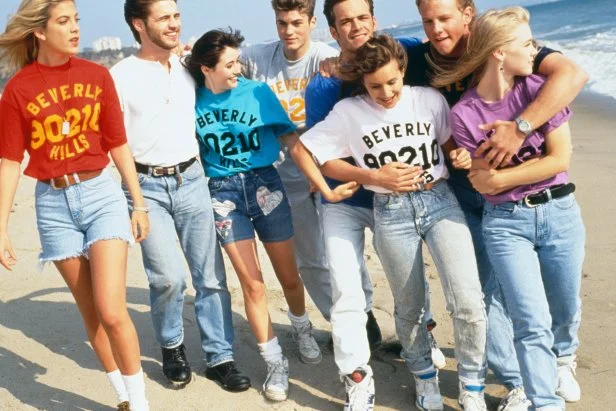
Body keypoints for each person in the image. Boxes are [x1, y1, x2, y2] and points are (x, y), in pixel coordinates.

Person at [398, 1, 588, 408]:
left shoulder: (531, 78)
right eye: (427, 20)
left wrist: (518, 132)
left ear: (468, 15)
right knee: (500, 300)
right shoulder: (456, 100)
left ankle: (563, 358)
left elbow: (561, 144)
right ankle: (522, 384)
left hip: (553, 207)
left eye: (444, 17)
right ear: (500, 53)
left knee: (564, 300)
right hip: (488, 210)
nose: (435, 28)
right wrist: (334, 65)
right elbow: (483, 176)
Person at [299, 33, 488, 411]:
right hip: (391, 211)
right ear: (362, 84)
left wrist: (463, 158)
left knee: (468, 299)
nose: (385, 92)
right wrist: (371, 178)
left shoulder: (429, 99)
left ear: (403, 69)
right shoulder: (350, 111)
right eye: (374, 86)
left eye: (392, 81)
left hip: (439, 201)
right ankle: (424, 379)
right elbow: (310, 151)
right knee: (409, 303)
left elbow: (451, 148)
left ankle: (472, 385)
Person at [183, 28, 355, 402]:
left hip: (266, 186)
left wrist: (323, 186)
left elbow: (292, 143)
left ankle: (302, 326)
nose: (237, 70)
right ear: (206, 68)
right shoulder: (191, 101)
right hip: (223, 194)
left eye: (238, 62)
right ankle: (275, 362)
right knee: (253, 284)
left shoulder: (257, 93)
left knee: (289, 277)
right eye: (229, 64)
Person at [0, 1, 149, 410]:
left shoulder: (97, 76)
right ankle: (121, 396)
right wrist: (1, 229)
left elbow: (118, 142)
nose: (75, 29)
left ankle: (140, 404)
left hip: (100, 194)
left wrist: (138, 202)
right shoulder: (17, 89)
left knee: (112, 309)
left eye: (77, 20)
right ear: (40, 32)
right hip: (52, 204)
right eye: (64, 22)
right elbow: (11, 161)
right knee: (91, 313)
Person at [111, 0, 250, 392]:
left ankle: (220, 357)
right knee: (168, 277)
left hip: (192, 178)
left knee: (211, 277)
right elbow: (115, 141)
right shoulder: (120, 76)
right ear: (139, 24)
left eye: (176, 16)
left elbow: (231, 69)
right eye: (164, 18)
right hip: (146, 187)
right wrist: (135, 199)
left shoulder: (189, 67)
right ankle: (172, 345)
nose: (174, 24)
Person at [240, 0, 389, 344]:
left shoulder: (326, 59)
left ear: (310, 23)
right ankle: (339, 323)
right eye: (282, 23)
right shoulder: (258, 58)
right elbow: (218, 62)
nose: (289, 31)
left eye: (296, 23)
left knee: (345, 253)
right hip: (284, 176)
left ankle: (364, 316)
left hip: (330, 169)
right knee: (310, 259)